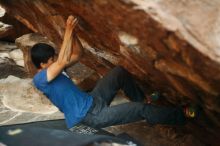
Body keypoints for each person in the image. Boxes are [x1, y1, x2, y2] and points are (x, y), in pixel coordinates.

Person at [31, 15, 190, 130]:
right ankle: (182, 115)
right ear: (43, 64)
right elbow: (62, 61)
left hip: (93, 100)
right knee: (140, 110)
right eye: (51, 60)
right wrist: (68, 29)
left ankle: (143, 100)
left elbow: (78, 54)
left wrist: (74, 33)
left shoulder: (56, 70)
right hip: (89, 117)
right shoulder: (40, 79)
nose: (55, 61)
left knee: (119, 72)